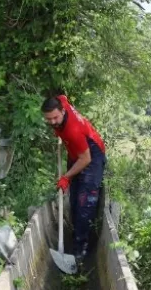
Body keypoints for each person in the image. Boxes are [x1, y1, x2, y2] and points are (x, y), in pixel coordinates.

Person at [41, 95, 106, 267]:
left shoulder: (73, 129)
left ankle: (80, 251)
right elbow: (62, 96)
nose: (53, 122)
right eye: (49, 119)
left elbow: (85, 159)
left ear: (62, 111)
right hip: (76, 151)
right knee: (75, 197)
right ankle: (75, 234)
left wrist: (66, 177)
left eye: (56, 117)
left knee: (85, 203)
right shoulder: (61, 103)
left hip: (91, 155)